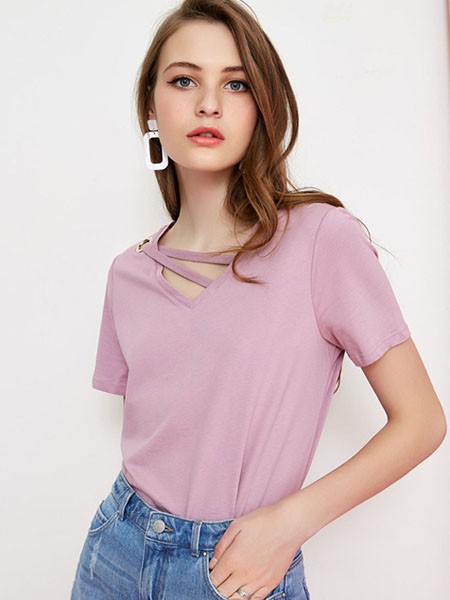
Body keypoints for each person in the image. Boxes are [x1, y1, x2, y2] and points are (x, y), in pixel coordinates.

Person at [70, 1, 447, 599]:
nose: (208, 104)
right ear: (151, 108)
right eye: (184, 80)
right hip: (114, 553)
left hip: (238, 569)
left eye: (236, 83)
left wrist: (290, 523)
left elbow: (422, 422)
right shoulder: (128, 273)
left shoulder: (321, 241)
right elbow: (164, 431)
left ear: (262, 106)